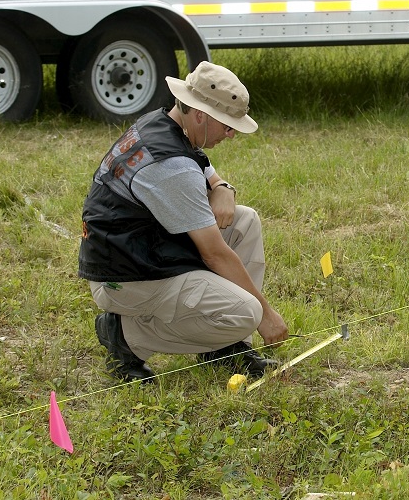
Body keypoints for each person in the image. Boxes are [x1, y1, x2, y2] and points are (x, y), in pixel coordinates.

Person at [78, 61, 289, 383]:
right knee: (247, 312)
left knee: (244, 220)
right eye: (228, 125)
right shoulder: (171, 166)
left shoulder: (163, 123)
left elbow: (203, 168)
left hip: (144, 246)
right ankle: (126, 335)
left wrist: (222, 188)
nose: (231, 135)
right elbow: (213, 253)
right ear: (201, 114)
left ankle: (225, 347)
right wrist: (266, 316)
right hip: (126, 275)